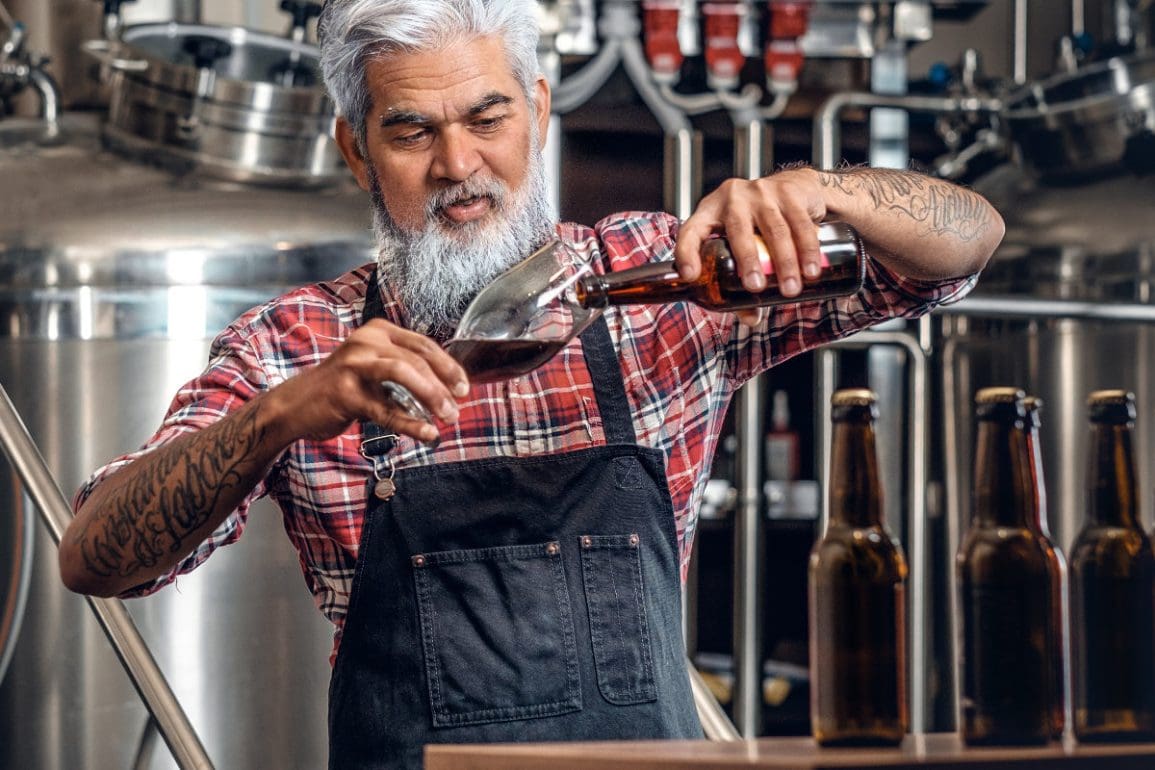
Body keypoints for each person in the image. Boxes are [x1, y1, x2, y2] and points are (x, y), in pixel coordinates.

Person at [59, 1, 1005, 768]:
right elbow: (94, 557)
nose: (458, 167)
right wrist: (276, 418)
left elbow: (964, 246)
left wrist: (824, 192)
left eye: (487, 117)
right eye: (410, 132)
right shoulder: (292, 343)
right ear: (356, 152)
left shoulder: (658, 283)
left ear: (540, 111)